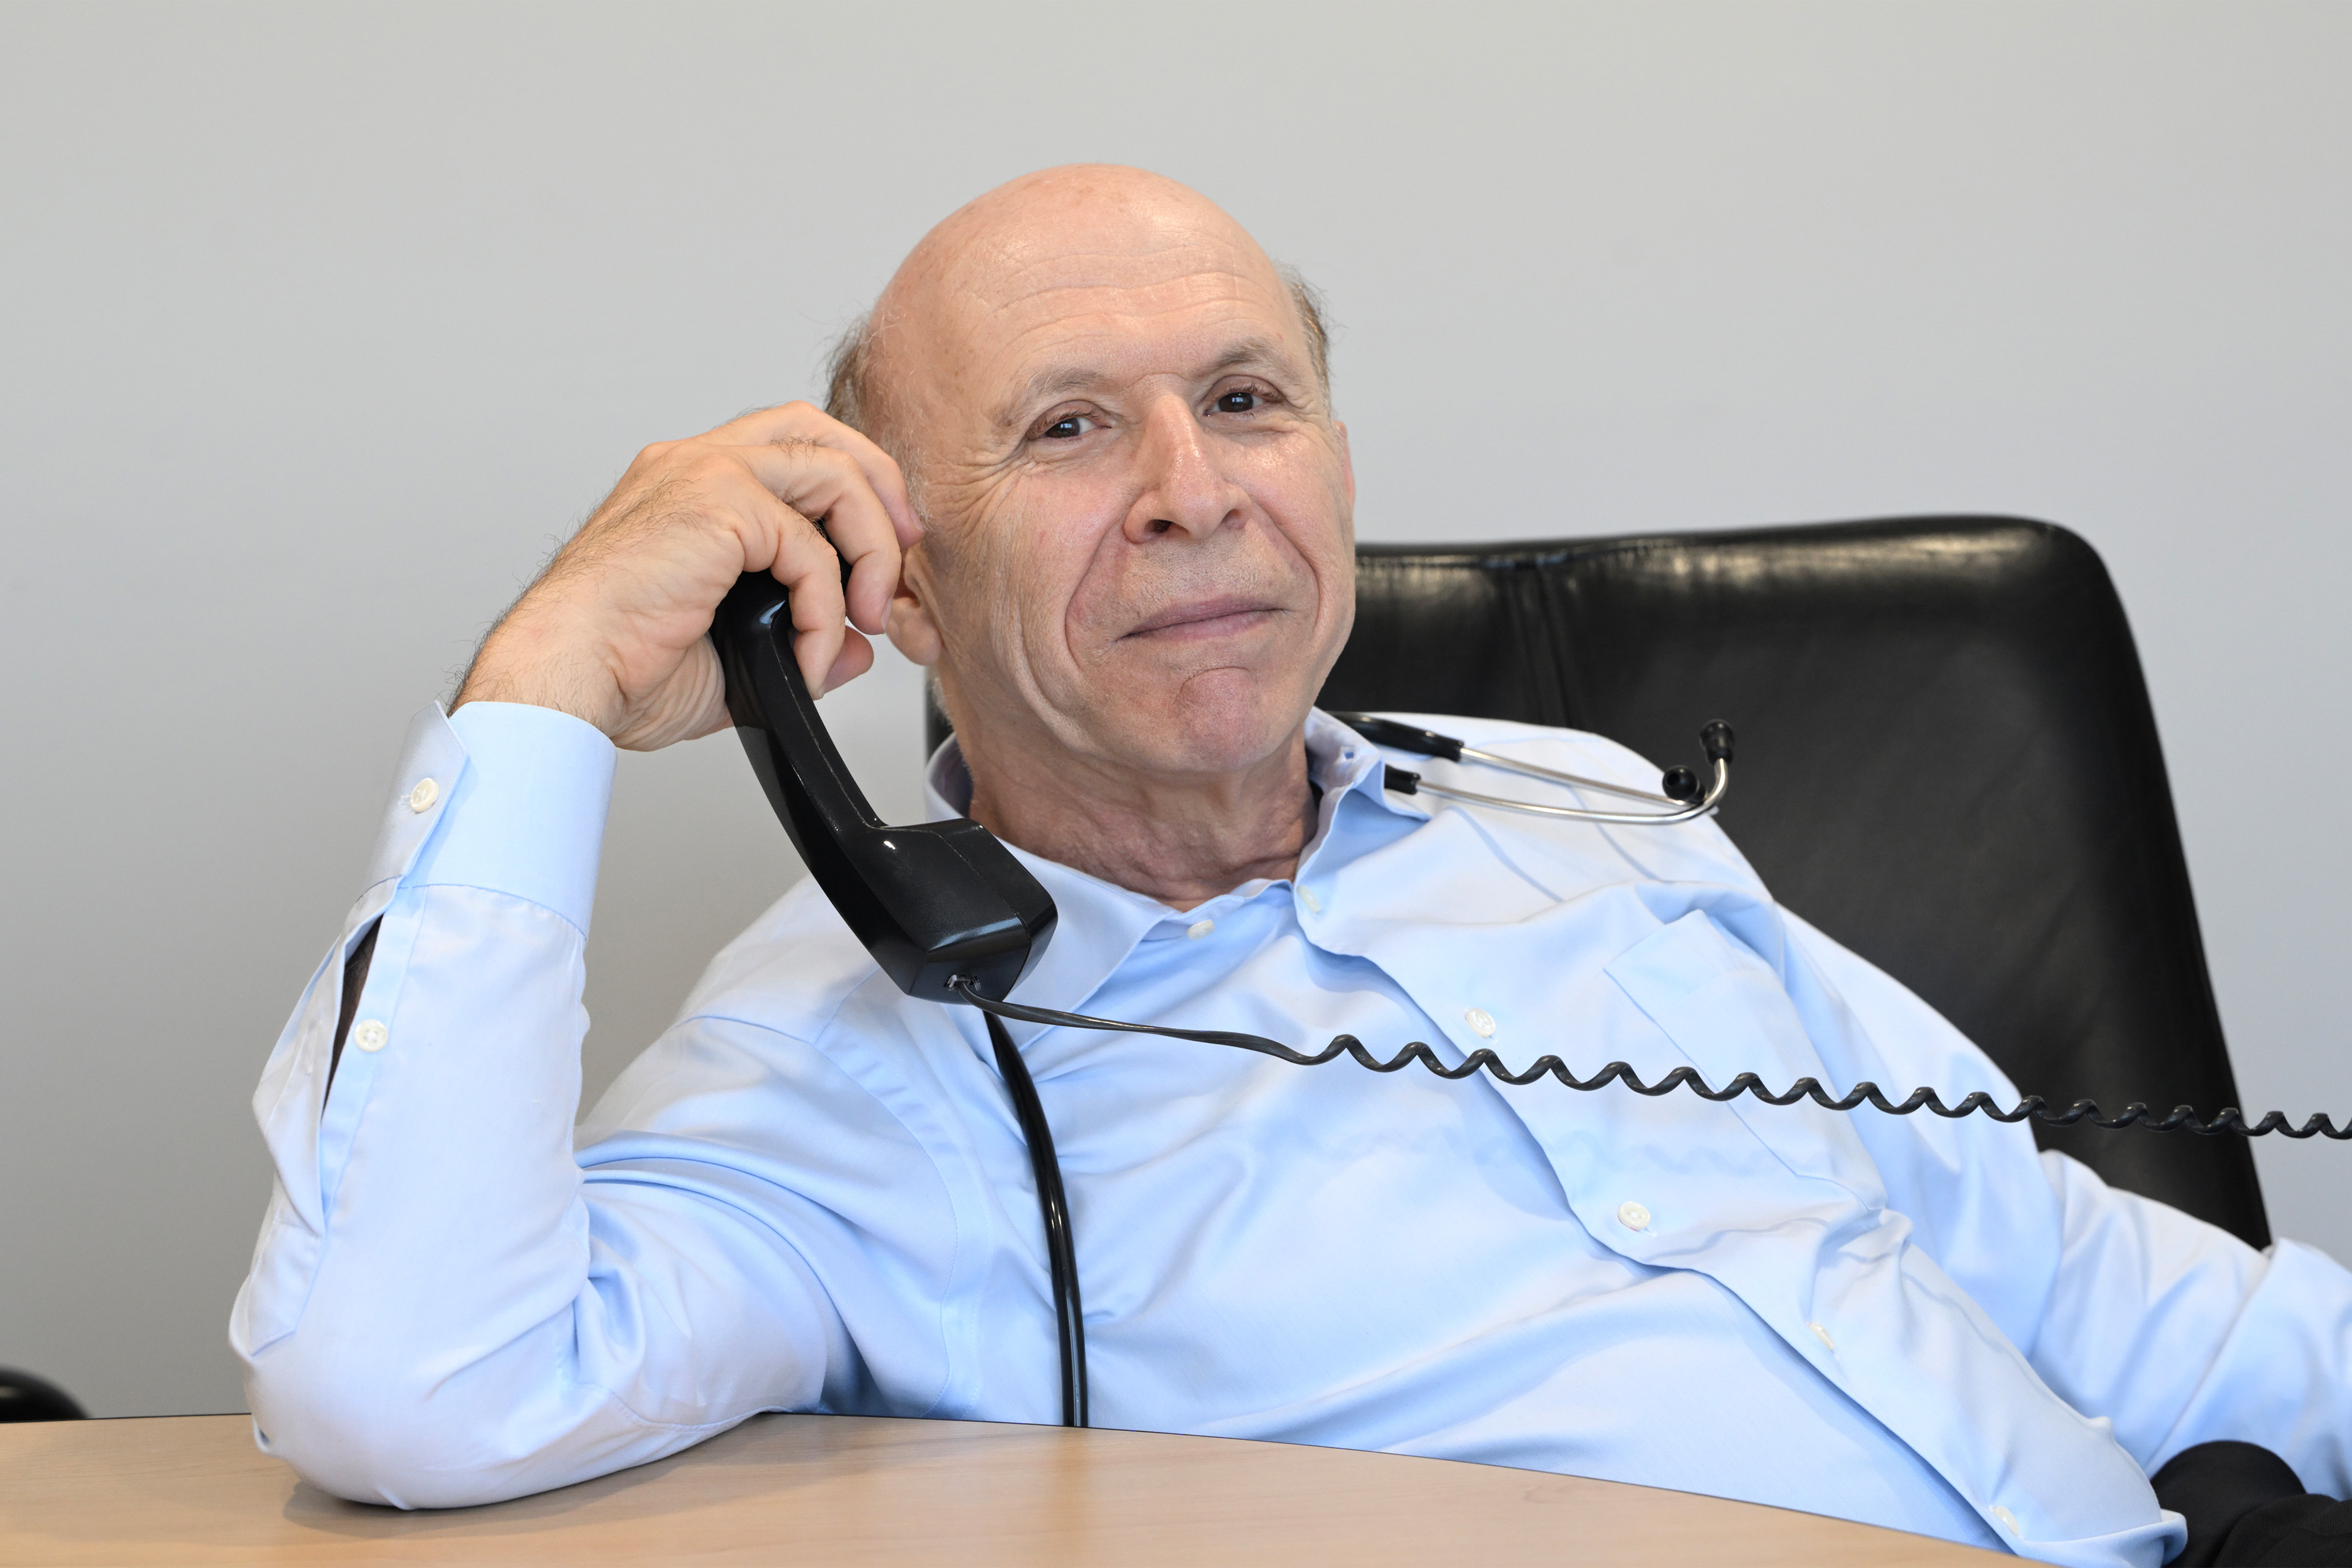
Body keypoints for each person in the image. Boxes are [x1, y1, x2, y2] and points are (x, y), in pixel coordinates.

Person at [231, 166, 2352, 1566]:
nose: (1192, 495)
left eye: (1248, 398)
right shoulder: (850, 1079)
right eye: (1067, 429)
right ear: (895, 582)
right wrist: (540, 694)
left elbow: (2055, 1267)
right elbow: (408, 1383)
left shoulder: (1570, 803)